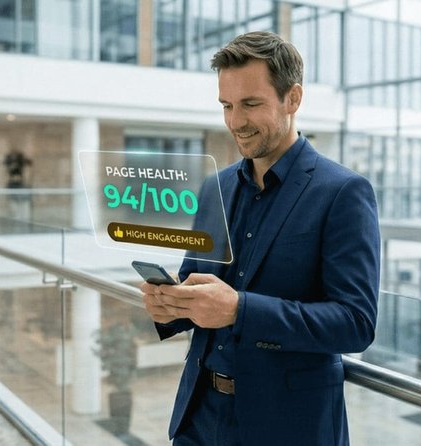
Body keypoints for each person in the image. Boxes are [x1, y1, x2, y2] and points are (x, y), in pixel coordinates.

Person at [138, 31, 381, 445]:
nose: (235, 122)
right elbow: (194, 285)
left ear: (293, 98)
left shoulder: (343, 192)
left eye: (250, 104)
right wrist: (169, 306)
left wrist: (239, 310)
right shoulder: (214, 188)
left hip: (287, 428)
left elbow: (355, 324)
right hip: (198, 421)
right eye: (227, 105)